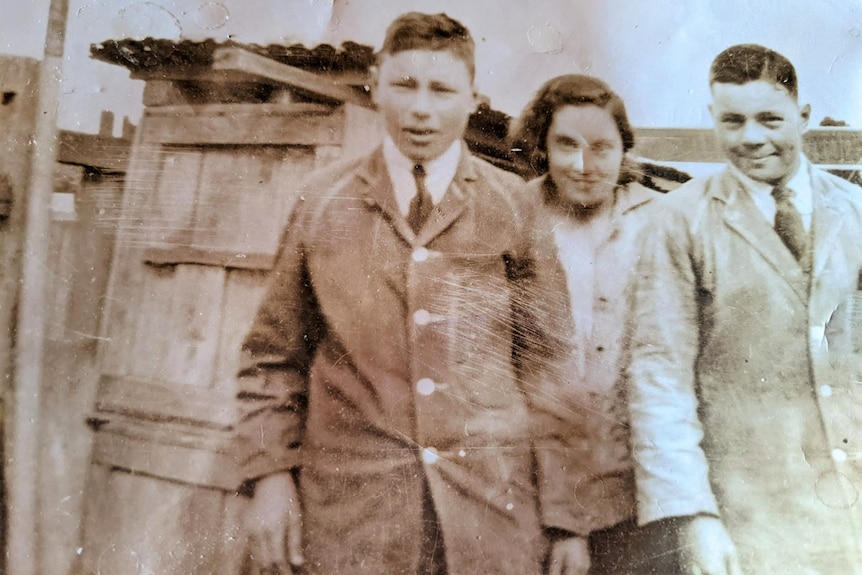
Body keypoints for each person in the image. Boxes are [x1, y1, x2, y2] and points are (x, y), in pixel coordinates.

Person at [234, 12, 547, 575]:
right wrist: (269, 476)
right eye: (404, 85)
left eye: (442, 89)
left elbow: (550, 368)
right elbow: (271, 358)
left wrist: (568, 522)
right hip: (354, 519)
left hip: (486, 516)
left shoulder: (515, 205)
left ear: (472, 98)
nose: (421, 108)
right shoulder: (321, 200)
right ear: (374, 84)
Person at [625, 43, 862, 574]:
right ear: (713, 118)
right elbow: (658, 377)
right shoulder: (679, 221)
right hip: (748, 515)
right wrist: (693, 517)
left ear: (801, 117)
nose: (751, 138)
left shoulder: (854, 213)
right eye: (733, 120)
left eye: (769, 119)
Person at [511, 75, 676, 575]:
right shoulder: (510, 216)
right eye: (566, 145)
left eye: (602, 147)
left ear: (625, 148)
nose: (584, 167)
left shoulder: (660, 223)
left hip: (637, 485)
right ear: (542, 145)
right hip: (532, 479)